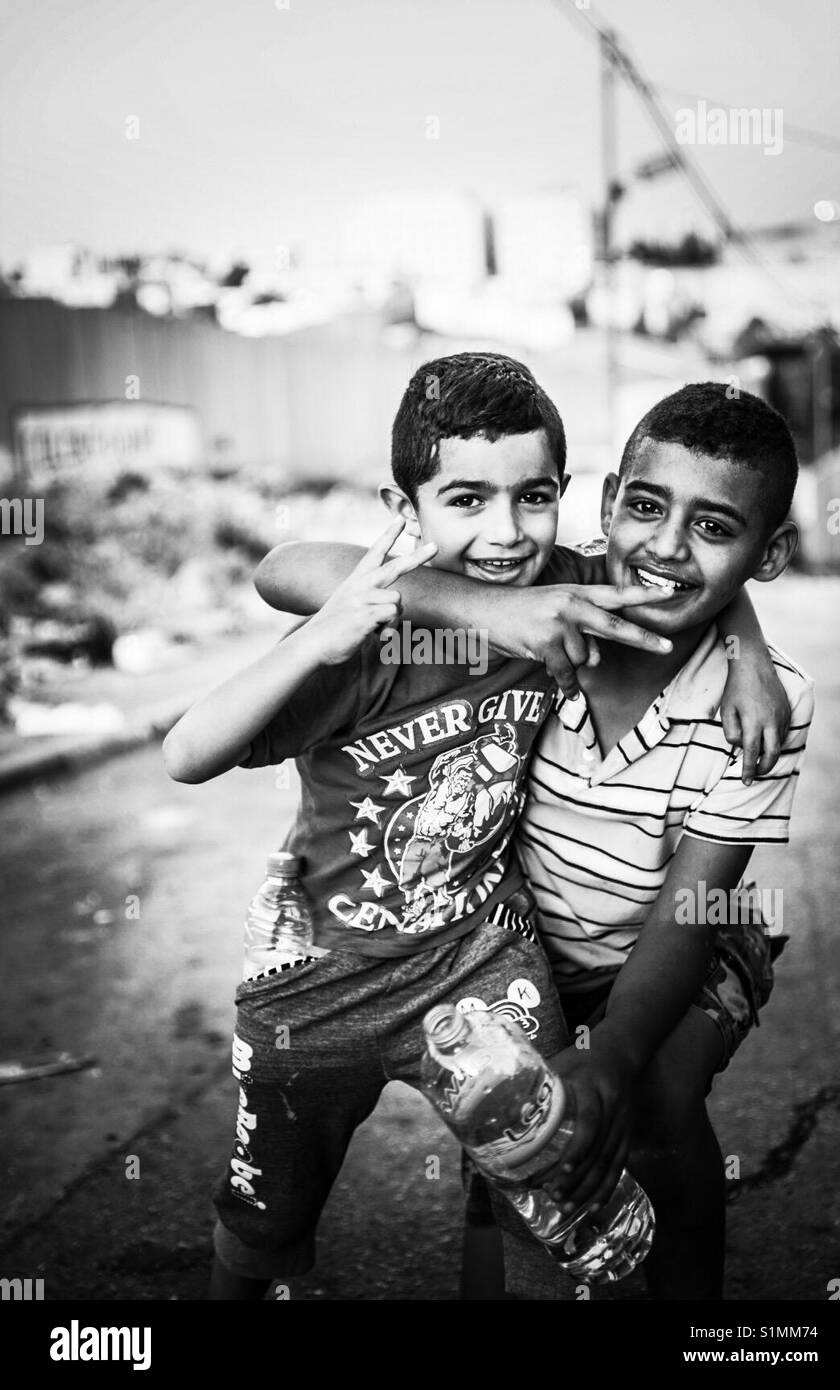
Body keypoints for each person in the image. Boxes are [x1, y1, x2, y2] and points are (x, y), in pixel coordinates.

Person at [253, 372, 802, 1300]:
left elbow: (692, 902)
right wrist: (483, 609)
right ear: (606, 506)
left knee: (655, 1098)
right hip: (521, 950)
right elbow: (286, 568)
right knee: (513, 1135)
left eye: (712, 529)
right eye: (644, 508)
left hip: (680, 946)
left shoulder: (762, 706)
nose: (665, 547)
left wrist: (745, 646)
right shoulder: (550, 587)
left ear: (767, 554)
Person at [163, 351, 687, 1300]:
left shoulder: (564, 592)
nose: (505, 532)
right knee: (266, 1218)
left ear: (562, 495)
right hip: (319, 980)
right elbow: (189, 748)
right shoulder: (366, 640)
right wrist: (329, 632)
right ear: (403, 509)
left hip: (482, 959)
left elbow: (688, 585)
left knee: (554, 1183)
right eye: (466, 500)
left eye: (533, 498)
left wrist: (748, 655)